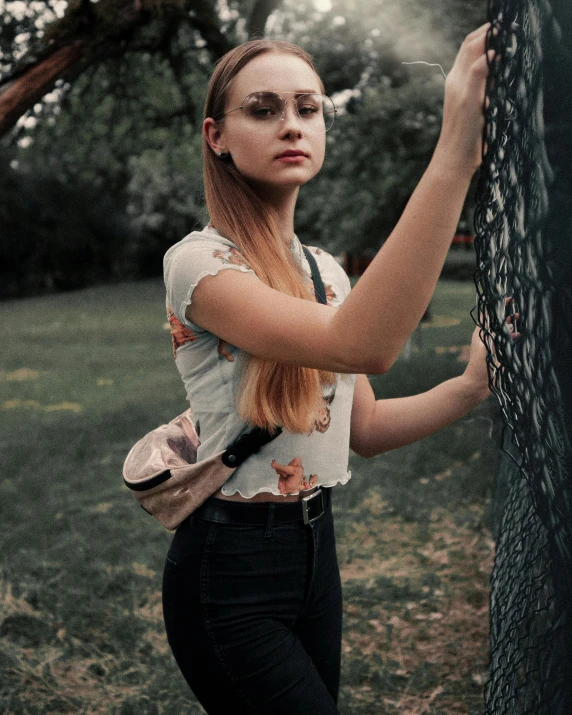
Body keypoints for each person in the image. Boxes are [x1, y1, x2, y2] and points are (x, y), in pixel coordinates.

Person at [161, 25, 501, 714]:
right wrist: (454, 157)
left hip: (317, 553)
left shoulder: (327, 272)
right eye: (263, 109)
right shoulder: (199, 263)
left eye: (307, 108)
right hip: (229, 570)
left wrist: (468, 387)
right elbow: (362, 344)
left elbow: (364, 427)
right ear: (216, 135)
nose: (292, 124)